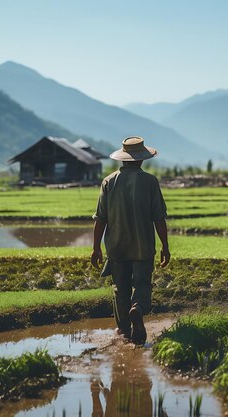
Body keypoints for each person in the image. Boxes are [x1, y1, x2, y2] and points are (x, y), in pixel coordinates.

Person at [91, 136, 170, 345]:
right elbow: (159, 218)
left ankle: (125, 330)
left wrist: (96, 247)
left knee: (120, 288)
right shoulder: (150, 181)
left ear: (123, 159)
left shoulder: (109, 181)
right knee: (142, 284)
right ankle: (138, 309)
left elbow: (100, 218)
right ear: (142, 159)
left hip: (116, 247)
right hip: (143, 246)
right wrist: (165, 246)